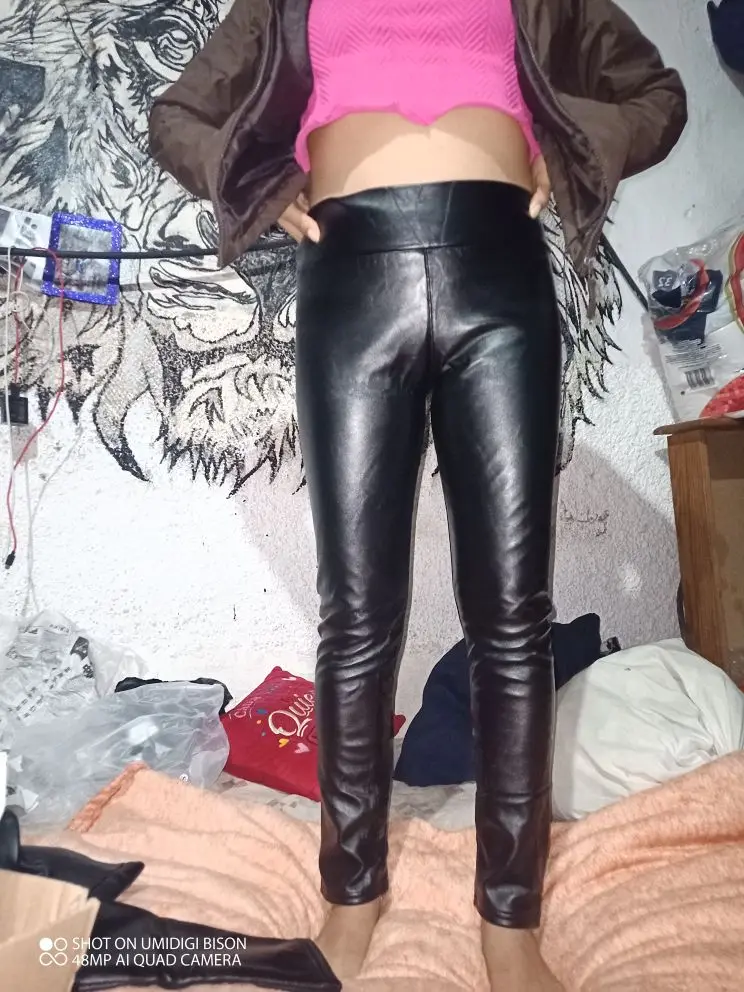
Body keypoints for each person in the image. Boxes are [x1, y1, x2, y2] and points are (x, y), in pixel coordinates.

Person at [149, 1, 686, 988]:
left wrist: (575, 153)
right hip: (350, 278)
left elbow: (656, 94)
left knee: (513, 618)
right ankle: (353, 896)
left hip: (500, 277)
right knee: (357, 617)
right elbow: (178, 115)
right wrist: (260, 184)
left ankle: (510, 921)